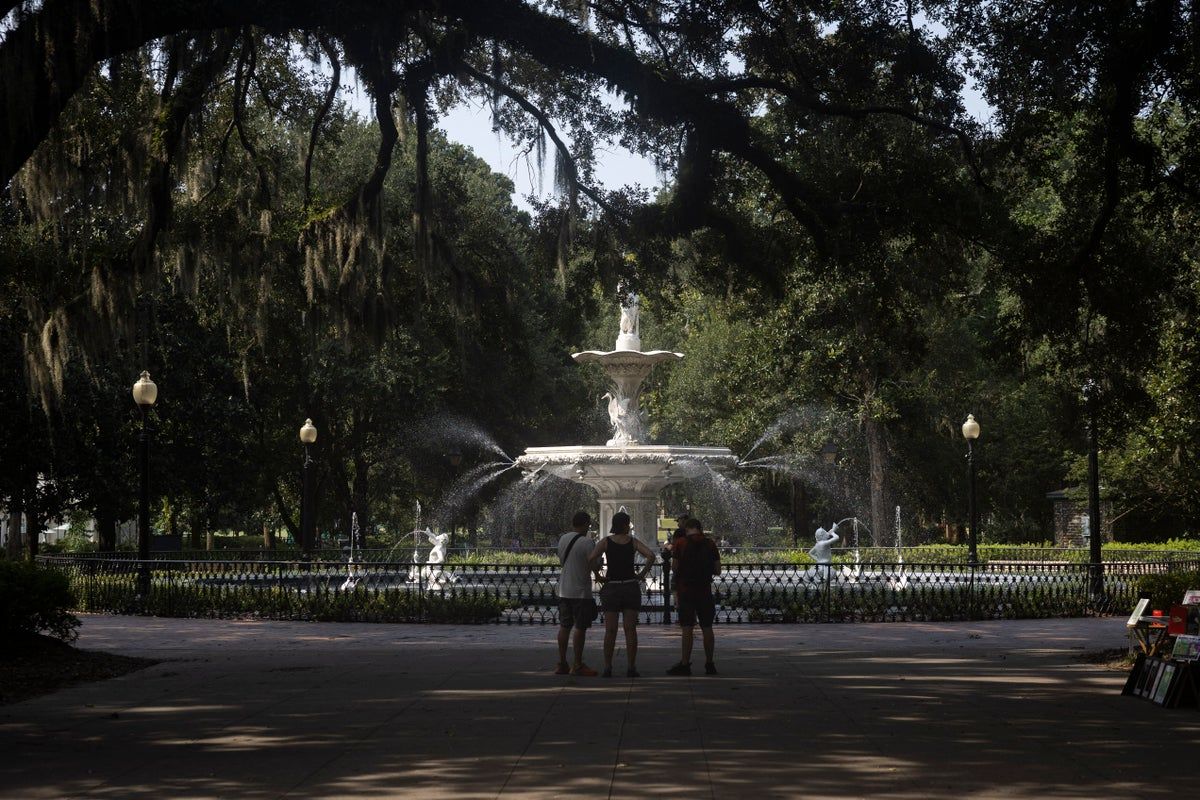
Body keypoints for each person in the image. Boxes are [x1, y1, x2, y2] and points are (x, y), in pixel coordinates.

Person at [589, 511, 657, 677]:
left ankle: (607, 667)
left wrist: (597, 575)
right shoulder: (632, 542)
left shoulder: (606, 542)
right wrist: (642, 574)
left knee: (610, 630)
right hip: (630, 587)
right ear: (625, 525)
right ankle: (631, 667)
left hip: (611, 587)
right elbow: (651, 555)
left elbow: (591, 558)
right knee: (630, 630)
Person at [668, 517, 721, 676]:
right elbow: (718, 570)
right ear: (700, 528)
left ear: (687, 529)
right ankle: (710, 664)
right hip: (704, 590)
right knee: (707, 627)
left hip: (686, 591)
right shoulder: (710, 544)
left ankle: (685, 664)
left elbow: (674, 567)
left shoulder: (681, 543)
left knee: (687, 628)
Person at [555, 511, 600, 676]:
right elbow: (594, 565)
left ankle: (562, 663)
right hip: (581, 591)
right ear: (586, 524)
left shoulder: (563, 539)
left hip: (564, 589)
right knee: (580, 627)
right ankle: (578, 664)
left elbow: (562, 561)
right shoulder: (588, 542)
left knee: (564, 626)